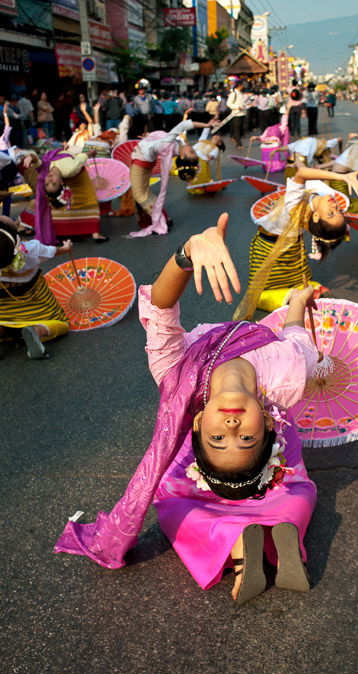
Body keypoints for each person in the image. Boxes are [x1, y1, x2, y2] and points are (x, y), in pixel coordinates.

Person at [55, 213, 322, 605]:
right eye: (244, 437)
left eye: (218, 437)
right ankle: (276, 529)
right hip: (271, 463)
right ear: (267, 422)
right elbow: (298, 335)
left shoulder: (174, 371)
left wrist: (185, 254)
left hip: (222, 472)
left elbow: (161, 310)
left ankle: (237, 545)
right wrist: (298, 300)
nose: (231, 425)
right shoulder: (293, 374)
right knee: (296, 487)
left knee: (170, 500)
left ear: (197, 423)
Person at [233, 165, 358, 318]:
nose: (335, 206)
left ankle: (298, 295)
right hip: (270, 247)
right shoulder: (326, 197)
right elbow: (303, 169)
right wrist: (299, 162)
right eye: (337, 211)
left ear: (316, 217)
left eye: (332, 213)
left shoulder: (294, 204)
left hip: (288, 244)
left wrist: (342, 176)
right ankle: (291, 297)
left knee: (298, 276)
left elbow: (302, 173)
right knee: (265, 287)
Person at [128, 113, 218, 237]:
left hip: (140, 161)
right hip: (145, 161)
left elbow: (183, 125)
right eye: (193, 151)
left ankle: (160, 220)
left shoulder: (170, 142)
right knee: (145, 192)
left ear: (182, 156)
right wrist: (149, 137)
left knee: (139, 194)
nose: (191, 148)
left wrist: (207, 125)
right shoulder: (177, 145)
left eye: (190, 151)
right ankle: (164, 217)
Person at [0, 216, 71, 359]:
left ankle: (6, 330)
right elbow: (55, 251)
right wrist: (66, 247)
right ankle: (37, 330)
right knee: (62, 324)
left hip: (4, 312)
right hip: (39, 306)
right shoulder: (32, 249)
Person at [19, 147, 108, 243]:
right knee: (88, 198)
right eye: (53, 183)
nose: (49, 179)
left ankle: (94, 233)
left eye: (47, 183)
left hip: (61, 155)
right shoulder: (70, 170)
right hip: (77, 167)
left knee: (86, 198)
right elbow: (81, 158)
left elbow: (38, 163)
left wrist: (31, 157)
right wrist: (90, 153)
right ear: (61, 182)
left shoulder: (45, 171)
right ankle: (93, 232)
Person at [187, 127, 225, 195]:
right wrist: (209, 125)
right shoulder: (202, 140)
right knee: (191, 174)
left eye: (219, 138)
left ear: (219, 143)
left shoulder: (215, 148)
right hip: (190, 157)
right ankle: (193, 187)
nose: (216, 136)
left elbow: (212, 155)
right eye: (215, 135)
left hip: (201, 161)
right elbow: (205, 132)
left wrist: (210, 157)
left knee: (198, 175)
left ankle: (198, 188)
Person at [227, 82, 246, 148]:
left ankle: (234, 138)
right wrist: (237, 107)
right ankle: (239, 144)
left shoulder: (241, 93)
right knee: (237, 129)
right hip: (236, 114)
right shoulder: (233, 94)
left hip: (242, 113)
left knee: (241, 129)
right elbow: (229, 103)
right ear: (239, 86)